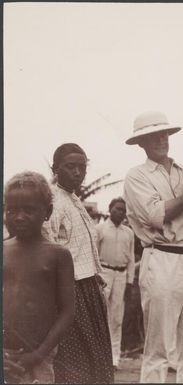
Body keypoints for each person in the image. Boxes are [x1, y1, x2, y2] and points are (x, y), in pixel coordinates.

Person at [124, 111, 183, 383]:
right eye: (153, 136)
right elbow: (158, 215)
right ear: (142, 143)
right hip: (163, 257)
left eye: (164, 134)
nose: (161, 139)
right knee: (159, 347)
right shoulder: (137, 176)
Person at [42, 143, 114, 384]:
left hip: (87, 287)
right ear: (55, 169)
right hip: (68, 289)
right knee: (74, 360)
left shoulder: (73, 200)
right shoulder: (52, 200)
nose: (77, 172)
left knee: (94, 356)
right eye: (70, 166)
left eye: (82, 167)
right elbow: (48, 245)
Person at [3, 171, 75, 384]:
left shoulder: (58, 255)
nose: (19, 216)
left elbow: (67, 312)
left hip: (39, 359)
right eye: (12, 210)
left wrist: (38, 355)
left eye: (29, 210)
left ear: (48, 211)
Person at [95, 197, 135, 369]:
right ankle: (98, 357)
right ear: (110, 209)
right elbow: (94, 254)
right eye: (117, 209)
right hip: (104, 273)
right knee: (99, 315)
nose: (120, 212)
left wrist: (130, 282)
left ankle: (114, 359)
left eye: (123, 210)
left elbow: (132, 258)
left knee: (117, 318)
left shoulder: (129, 232)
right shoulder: (100, 229)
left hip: (121, 274)